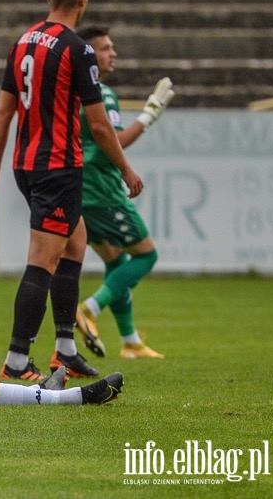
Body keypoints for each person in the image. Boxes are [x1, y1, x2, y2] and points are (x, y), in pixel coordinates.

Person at [0, 0, 143, 382]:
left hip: (25, 165)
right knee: (42, 261)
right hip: (58, 167)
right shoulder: (77, 50)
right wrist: (127, 169)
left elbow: (3, 113)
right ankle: (14, 360)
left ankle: (64, 350)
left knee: (75, 242)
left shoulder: (22, 43)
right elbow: (100, 126)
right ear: (84, 0)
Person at [75, 25, 173, 360]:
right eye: (104, 48)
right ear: (89, 55)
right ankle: (89, 309)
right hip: (103, 190)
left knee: (116, 261)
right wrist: (148, 116)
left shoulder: (70, 91)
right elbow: (111, 141)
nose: (112, 53)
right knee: (147, 255)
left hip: (78, 188)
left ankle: (130, 341)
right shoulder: (101, 92)